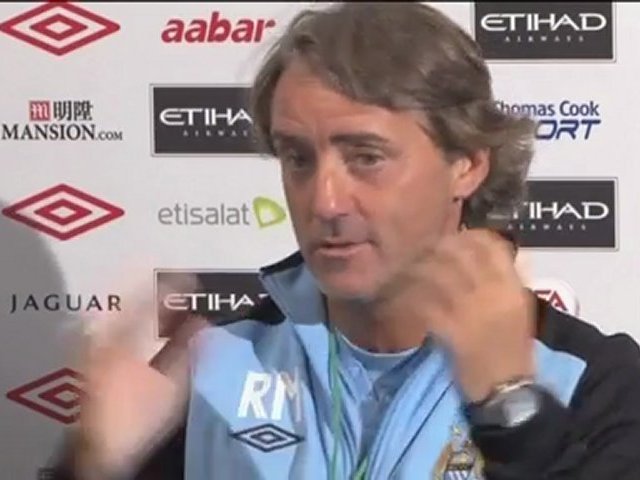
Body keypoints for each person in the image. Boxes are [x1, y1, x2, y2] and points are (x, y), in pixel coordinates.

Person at [51, 2, 640, 479]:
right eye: (298, 159)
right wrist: (93, 466)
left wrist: (512, 413)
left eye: (366, 157)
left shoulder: (596, 379)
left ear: (467, 164)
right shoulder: (211, 372)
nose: (325, 202)